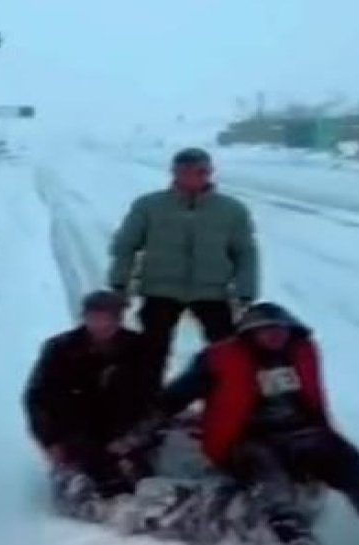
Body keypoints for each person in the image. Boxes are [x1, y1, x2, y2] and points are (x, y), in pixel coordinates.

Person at [112, 301, 359, 545]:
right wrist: (138, 434)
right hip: (243, 437)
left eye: (279, 330)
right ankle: (294, 536)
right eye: (264, 332)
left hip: (301, 432)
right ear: (249, 336)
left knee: (351, 464)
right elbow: (174, 398)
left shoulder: (300, 354)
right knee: (264, 470)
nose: (274, 337)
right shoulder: (218, 361)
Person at [107, 147, 260, 396]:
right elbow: (125, 245)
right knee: (152, 354)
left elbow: (245, 252)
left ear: (210, 173)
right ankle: (148, 409)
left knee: (226, 352)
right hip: (160, 289)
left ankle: (226, 403)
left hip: (213, 292)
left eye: (200, 171)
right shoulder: (149, 206)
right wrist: (119, 284)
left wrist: (246, 292)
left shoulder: (232, 210)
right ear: (174, 173)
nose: (193, 177)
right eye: (185, 171)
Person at [23, 290, 153, 508]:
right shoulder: (59, 349)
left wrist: (134, 435)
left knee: (145, 478)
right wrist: (50, 441)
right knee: (93, 489)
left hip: (123, 427)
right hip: (76, 430)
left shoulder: (139, 347)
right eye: (95, 318)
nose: (101, 325)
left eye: (108, 318)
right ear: (84, 317)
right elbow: (37, 398)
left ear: (119, 319)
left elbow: (150, 394)